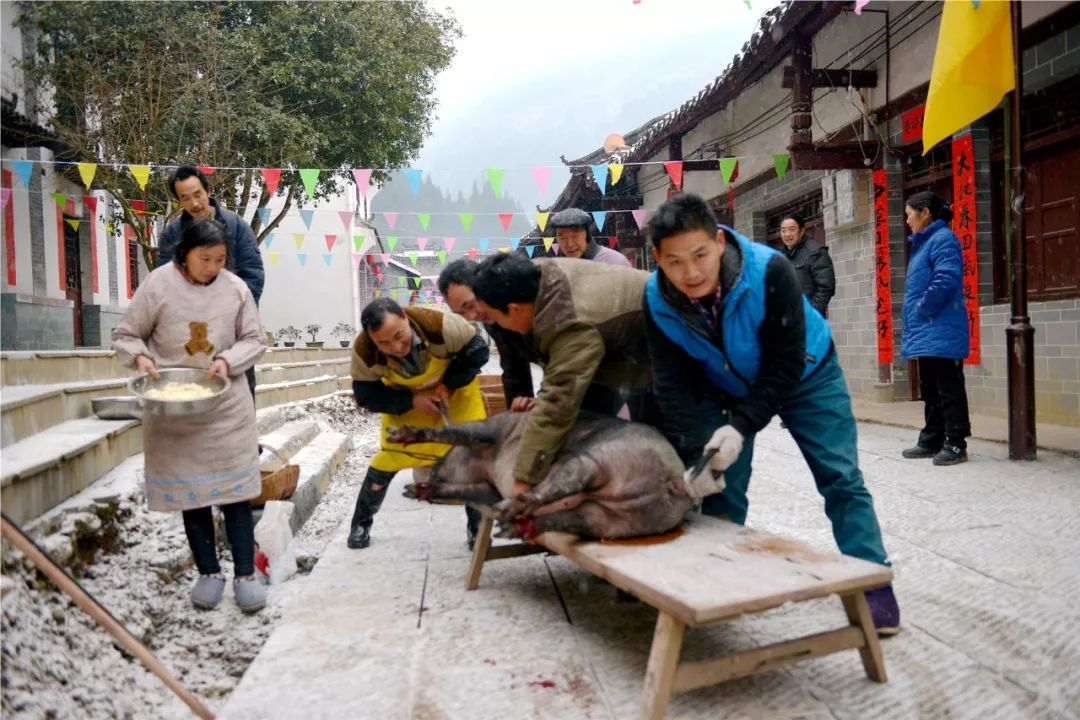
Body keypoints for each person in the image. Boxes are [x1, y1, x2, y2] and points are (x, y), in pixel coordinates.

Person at [641, 193, 900, 636]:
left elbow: (785, 366)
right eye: (675, 262)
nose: (692, 272)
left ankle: (870, 581)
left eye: (700, 255)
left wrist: (741, 426)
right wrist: (695, 453)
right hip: (723, 384)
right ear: (658, 260)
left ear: (719, 241)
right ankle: (717, 585)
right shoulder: (657, 301)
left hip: (807, 372)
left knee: (840, 476)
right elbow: (673, 384)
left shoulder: (769, 273)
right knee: (721, 487)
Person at [112, 218, 269, 613]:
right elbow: (126, 334)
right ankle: (209, 572)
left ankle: (246, 575)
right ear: (184, 254)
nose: (213, 267)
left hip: (226, 406)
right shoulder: (158, 285)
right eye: (205, 258)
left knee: (236, 495)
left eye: (220, 259)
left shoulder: (235, 289)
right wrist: (142, 356)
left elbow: (255, 339)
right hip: (176, 408)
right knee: (193, 496)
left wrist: (227, 360)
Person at [471, 254, 653, 494]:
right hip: (638, 357)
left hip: (675, 349)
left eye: (494, 318)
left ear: (514, 309)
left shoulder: (568, 322)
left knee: (674, 448)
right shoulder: (535, 279)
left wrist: (522, 480)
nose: (497, 326)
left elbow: (558, 401)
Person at [347, 298, 490, 550]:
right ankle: (360, 524)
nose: (396, 347)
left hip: (457, 403)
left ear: (405, 317)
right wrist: (412, 400)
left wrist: (449, 383)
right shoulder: (364, 353)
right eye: (384, 343)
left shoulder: (442, 326)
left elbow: (478, 351)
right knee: (385, 461)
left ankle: (477, 530)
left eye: (399, 336)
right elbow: (366, 396)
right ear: (372, 339)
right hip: (408, 411)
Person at [158, 165, 266, 398]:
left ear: (208, 191)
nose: (194, 203)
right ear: (179, 201)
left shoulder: (236, 226)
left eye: (198, 194)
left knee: (240, 395)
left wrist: (232, 315)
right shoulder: (172, 234)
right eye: (185, 198)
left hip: (233, 333)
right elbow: (164, 285)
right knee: (193, 396)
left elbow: (254, 276)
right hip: (189, 334)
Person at [900, 191, 971, 466]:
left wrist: (923, 308)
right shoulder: (924, 242)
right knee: (930, 387)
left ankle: (955, 442)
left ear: (925, 213)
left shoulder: (942, 239)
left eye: (909, 215)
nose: (907, 221)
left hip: (941, 325)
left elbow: (946, 278)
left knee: (948, 387)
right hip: (927, 328)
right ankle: (932, 438)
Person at [438, 258, 536, 411]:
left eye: (470, 305)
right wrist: (517, 415)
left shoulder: (526, 298)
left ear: (482, 286)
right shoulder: (491, 320)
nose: (471, 316)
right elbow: (514, 368)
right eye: (461, 313)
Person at [780, 212, 835, 317]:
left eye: (792, 229)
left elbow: (825, 288)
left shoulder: (815, 252)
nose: (787, 234)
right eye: (783, 230)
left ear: (801, 231)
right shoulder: (782, 254)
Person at [549, 207, 631, 266]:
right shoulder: (556, 270)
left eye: (575, 236)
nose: (569, 244)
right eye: (562, 238)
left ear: (587, 234)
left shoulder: (614, 262)